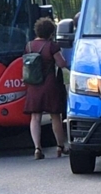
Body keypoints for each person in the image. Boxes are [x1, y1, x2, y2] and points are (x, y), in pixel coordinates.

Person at [24, 17, 68, 159]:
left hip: (33, 85)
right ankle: (60, 146)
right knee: (55, 116)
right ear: (51, 32)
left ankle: (37, 148)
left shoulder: (29, 46)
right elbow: (61, 64)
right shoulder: (52, 46)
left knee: (35, 117)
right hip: (49, 84)